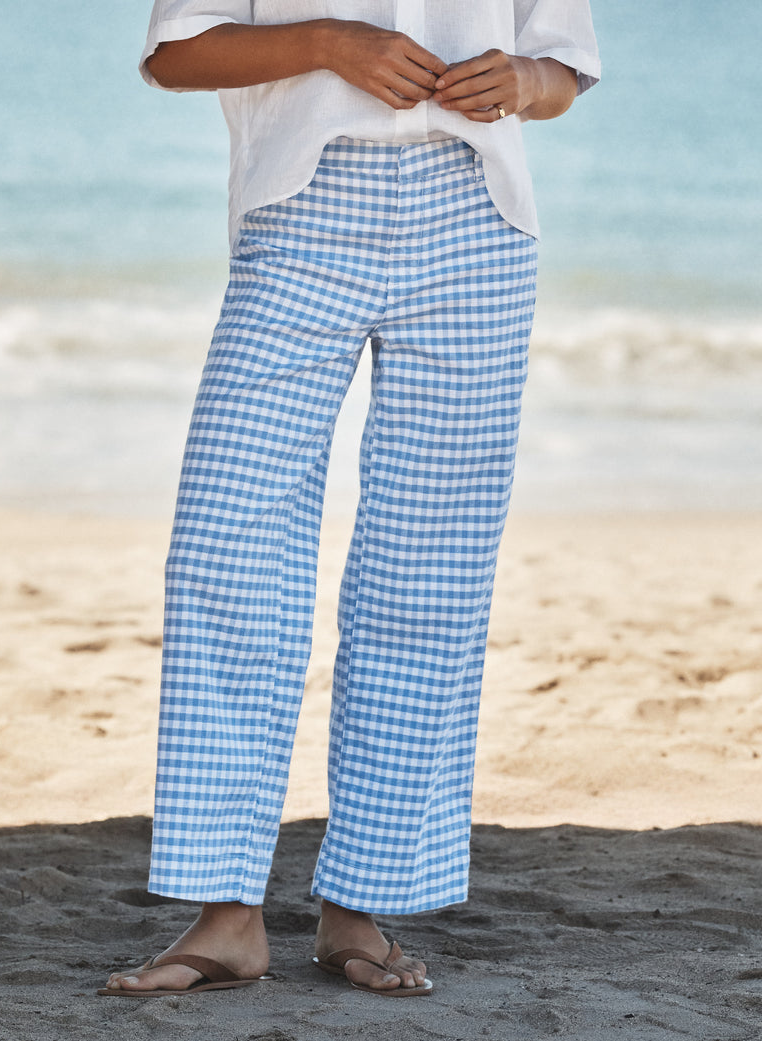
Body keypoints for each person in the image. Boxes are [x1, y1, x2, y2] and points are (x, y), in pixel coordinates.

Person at [100, 0, 600, 999]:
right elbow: (175, 52)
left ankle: (362, 903)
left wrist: (522, 82)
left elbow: (564, 68)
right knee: (226, 550)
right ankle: (226, 914)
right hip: (301, 212)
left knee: (426, 574)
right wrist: (331, 44)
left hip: (477, 224)